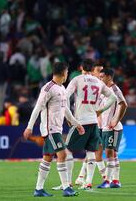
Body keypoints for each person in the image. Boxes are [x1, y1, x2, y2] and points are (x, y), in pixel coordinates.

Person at [52, 59, 116, 191]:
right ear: (93, 69)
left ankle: (67, 183)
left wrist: (68, 116)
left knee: (67, 150)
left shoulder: (76, 80)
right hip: (94, 121)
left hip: (81, 121)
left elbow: (65, 97)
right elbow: (113, 97)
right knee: (91, 151)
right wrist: (101, 110)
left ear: (81, 67)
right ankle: (88, 183)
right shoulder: (98, 81)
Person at [23, 62, 85, 197]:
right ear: (63, 73)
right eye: (67, 72)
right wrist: (29, 126)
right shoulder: (48, 88)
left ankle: (39, 189)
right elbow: (37, 108)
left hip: (56, 128)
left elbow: (66, 110)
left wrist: (76, 124)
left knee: (47, 158)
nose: (67, 74)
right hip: (50, 129)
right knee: (63, 155)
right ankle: (66, 188)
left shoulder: (62, 88)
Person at [98, 68, 128, 189]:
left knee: (109, 152)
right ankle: (116, 180)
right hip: (105, 127)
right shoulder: (103, 91)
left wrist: (116, 120)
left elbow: (124, 104)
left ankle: (108, 181)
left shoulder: (115, 89)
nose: (100, 79)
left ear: (109, 77)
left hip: (113, 127)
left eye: (102, 77)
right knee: (112, 154)